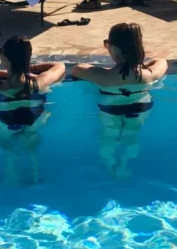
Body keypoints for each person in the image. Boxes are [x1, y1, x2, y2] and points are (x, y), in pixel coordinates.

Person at [72, 23, 168, 177]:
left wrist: (101, 70)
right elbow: (161, 61)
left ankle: (110, 165)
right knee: (131, 137)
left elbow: (77, 69)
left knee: (109, 137)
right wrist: (142, 66)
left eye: (107, 44)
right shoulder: (148, 75)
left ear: (115, 47)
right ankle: (124, 164)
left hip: (111, 109)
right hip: (141, 107)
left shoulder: (103, 76)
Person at [0, 35, 65, 185]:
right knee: (32, 146)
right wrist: (27, 68)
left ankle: (11, 177)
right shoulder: (39, 82)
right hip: (36, 119)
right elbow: (60, 66)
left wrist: (7, 72)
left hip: (4, 123)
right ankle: (35, 174)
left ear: (6, 60)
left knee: (9, 150)